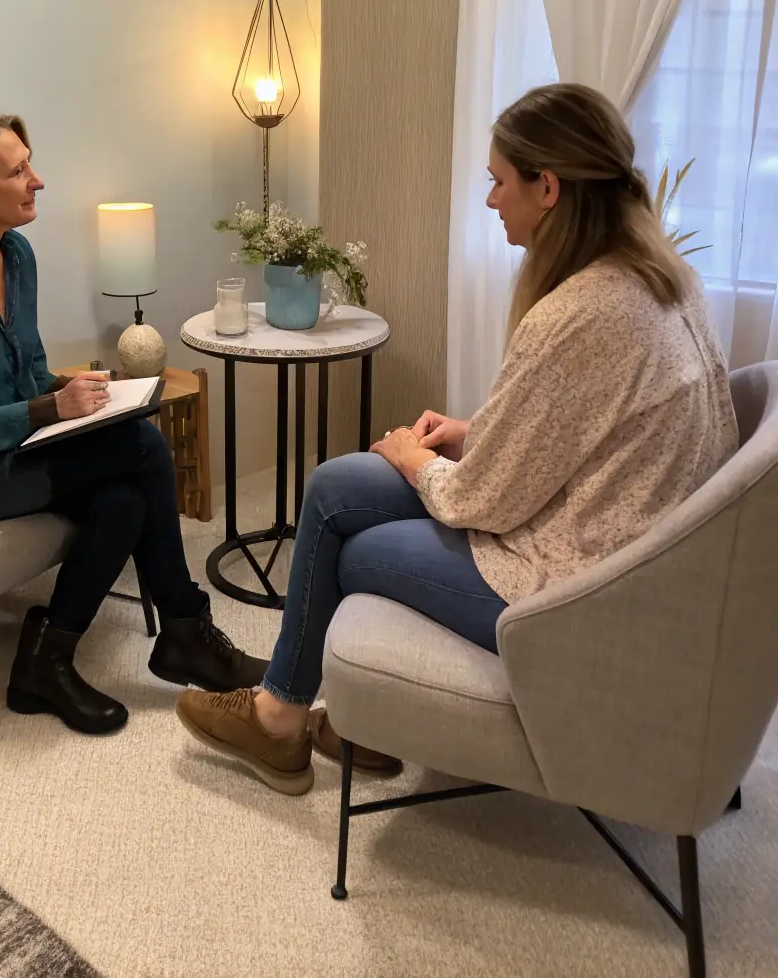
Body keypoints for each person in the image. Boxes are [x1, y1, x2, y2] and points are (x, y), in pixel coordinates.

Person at [175, 83, 739, 794]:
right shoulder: (667, 279)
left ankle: (299, 721)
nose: (490, 199)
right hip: (603, 533)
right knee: (334, 483)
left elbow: (483, 502)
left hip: (578, 589)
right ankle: (312, 715)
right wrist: (474, 432)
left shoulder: (579, 313)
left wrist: (418, 460)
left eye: (499, 181)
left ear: (548, 186)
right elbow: (594, 431)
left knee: (358, 551)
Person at [0, 113, 266, 737]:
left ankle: (46, 664)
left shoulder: (15, 254)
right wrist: (51, 410)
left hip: (8, 442)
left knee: (126, 494)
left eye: (31, 163)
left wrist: (75, 394)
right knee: (141, 445)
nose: (37, 181)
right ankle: (183, 628)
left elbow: (28, 371)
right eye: (17, 170)